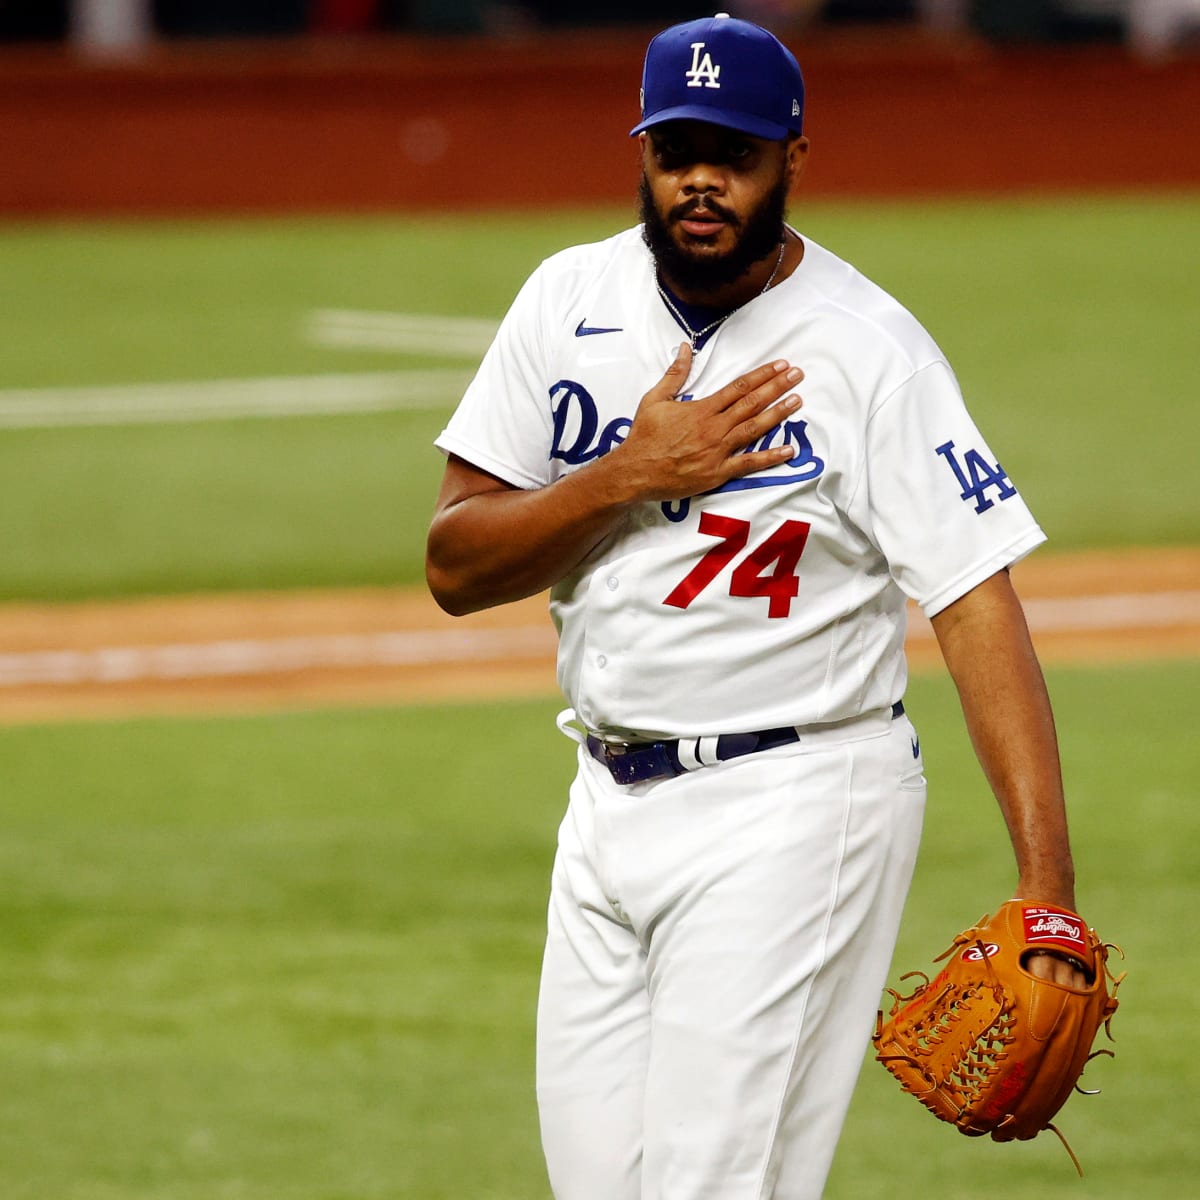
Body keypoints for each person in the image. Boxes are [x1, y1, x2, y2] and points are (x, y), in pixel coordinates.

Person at [426, 13, 1084, 1198]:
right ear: (641, 152)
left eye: (732, 157)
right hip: (603, 811)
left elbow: (975, 599)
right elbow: (456, 566)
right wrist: (630, 474)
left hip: (797, 802)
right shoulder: (565, 297)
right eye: (678, 152)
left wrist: (1049, 889)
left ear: (792, 158)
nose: (701, 184)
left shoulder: (866, 350)